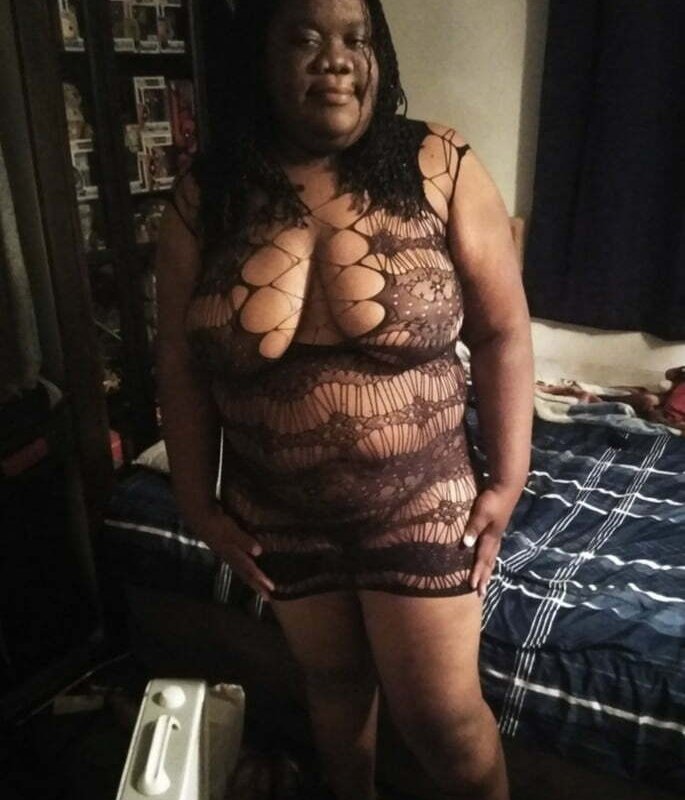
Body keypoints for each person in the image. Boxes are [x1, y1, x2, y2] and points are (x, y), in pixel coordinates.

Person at [155, 1, 534, 798]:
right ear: (261, 59)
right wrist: (195, 499)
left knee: (441, 722)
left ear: (378, 58)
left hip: (420, 502)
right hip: (275, 511)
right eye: (304, 38)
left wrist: (508, 480)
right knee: (330, 690)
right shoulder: (207, 192)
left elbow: (502, 331)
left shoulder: (439, 161)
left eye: (355, 39)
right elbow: (181, 363)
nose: (334, 58)